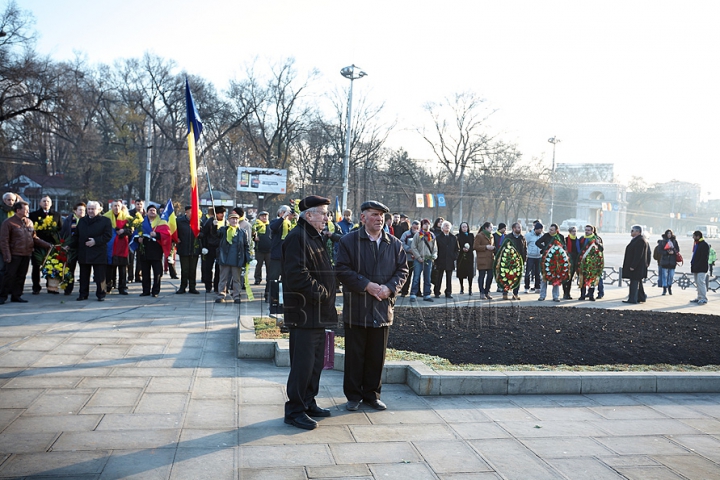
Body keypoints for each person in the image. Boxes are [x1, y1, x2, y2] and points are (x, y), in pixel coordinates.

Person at [336, 200, 408, 411]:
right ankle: (353, 396)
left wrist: (390, 288)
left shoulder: (393, 243)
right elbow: (341, 269)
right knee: (355, 355)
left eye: (381, 215)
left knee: (377, 355)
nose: (379, 219)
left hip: (382, 308)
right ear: (363, 218)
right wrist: (366, 285)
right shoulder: (349, 241)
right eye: (374, 215)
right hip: (357, 307)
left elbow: (403, 271)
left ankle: (372, 394)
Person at [282, 195, 338, 430]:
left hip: (317, 313)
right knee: (303, 365)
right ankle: (295, 410)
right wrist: (323, 293)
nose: (327, 217)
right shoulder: (298, 237)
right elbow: (297, 275)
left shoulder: (313, 236)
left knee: (315, 363)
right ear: (309, 215)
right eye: (323, 213)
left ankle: (308, 401)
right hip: (304, 313)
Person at [0, 201, 52, 304]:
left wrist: (47, 245)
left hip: (26, 253)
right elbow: (3, 240)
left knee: (21, 276)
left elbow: (34, 238)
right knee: (9, 276)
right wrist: (7, 255)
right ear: (18, 210)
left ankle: (17, 295)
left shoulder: (29, 222)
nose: (28, 211)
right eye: (26, 209)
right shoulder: (8, 222)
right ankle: (2, 296)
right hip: (14, 254)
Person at [72, 201, 112, 302]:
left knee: (100, 275)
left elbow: (108, 236)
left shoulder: (105, 221)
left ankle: (101, 294)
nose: (90, 211)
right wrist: (69, 244)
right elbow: (76, 235)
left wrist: (95, 241)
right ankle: (83, 294)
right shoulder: (82, 221)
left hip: (98, 251)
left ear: (99, 210)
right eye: (89, 209)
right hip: (84, 251)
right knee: (84, 275)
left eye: (93, 209)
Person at [28, 195, 63, 294]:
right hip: (38, 244)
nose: (46, 203)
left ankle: (51, 286)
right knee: (36, 266)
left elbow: (61, 229)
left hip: (51, 245)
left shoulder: (56, 215)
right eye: (44, 201)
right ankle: (36, 287)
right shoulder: (33, 215)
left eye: (48, 201)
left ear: (51, 204)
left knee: (52, 265)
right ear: (40, 203)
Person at [216, 212, 250, 303]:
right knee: (223, 278)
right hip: (225, 258)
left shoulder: (242, 232)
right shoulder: (223, 230)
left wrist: (248, 258)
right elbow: (216, 236)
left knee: (236, 279)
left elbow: (246, 246)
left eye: (236, 219)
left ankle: (236, 296)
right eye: (232, 219)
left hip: (237, 259)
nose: (234, 220)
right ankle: (221, 295)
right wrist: (214, 225)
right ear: (228, 220)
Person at [137, 205, 171, 297]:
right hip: (144, 251)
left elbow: (167, 235)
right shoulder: (142, 222)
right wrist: (138, 239)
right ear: (147, 212)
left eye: (154, 210)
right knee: (145, 272)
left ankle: (155, 291)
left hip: (156, 251)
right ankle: (145, 290)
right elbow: (136, 234)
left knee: (157, 273)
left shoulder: (161, 222)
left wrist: (157, 234)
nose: (152, 212)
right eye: (150, 210)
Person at [104, 200, 133, 295]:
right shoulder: (106, 217)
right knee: (109, 267)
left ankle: (122, 287)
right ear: (111, 207)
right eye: (114, 206)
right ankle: (108, 285)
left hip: (122, 246)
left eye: (118, 206)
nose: (116, 208)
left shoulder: (127, 218)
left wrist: (123, 231)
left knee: (122, 268)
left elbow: (131, 231)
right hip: (110, 246)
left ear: (121, 207)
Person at [267, 205, 292, 301]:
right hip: (276, 254)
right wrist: (283, 218)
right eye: (286, 212)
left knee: (285, 277)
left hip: (287, 254)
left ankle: (282, 297)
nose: (288, 214)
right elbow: (274, 227)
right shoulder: (275, 221)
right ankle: (270, 296)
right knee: (273, 277)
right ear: (280, 212)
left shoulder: (289, 223)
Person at [59, 202, 86, 295]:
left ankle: (83, 290)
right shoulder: (69, 220)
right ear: (75, 211)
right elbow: (64, 232)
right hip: (71, 248)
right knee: (70, 269)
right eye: (80, 210)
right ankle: (68, 288)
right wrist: (64, 244)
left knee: (84, 270)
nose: (82, 212)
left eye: (83, 210)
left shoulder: (86, 220)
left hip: (83, 248)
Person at [535, 223, 566, 302]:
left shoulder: (560, 237)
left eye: (552, 230)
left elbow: (564, 247)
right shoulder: (546, 236)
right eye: (549, 229)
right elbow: (537, 242)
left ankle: (556, 296)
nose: (550, 231)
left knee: (556, 277)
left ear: (556, 230)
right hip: (546, 259)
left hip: (557, 260)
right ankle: (542, 295)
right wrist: (544, 248)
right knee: (544, 277)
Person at [622, 225, 651, 304]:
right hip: (636, 267)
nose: (631, 232)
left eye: (632, 231)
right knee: (638, 282)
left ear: (638, 232)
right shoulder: (636, 239)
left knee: (634, 283)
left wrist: (633, 266)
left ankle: (632, 299)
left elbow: (638, 255)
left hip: (637, 267)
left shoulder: (640, 240)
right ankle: (641, 297)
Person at [409, 218, 437, 302]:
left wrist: (433, 256)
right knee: (416, 277)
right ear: (422, 225)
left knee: (427, 278)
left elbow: (435, 248)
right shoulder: (418, 235)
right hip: (419, 259)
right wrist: (418, 257)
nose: (427, 225)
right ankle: (413, 294)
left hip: (428, 259)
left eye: (428, 224)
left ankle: (427, 294)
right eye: (425, 224)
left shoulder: (431, 235)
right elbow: (413, 247)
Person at [175, 206, 201, 294]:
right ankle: (183, 287)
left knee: (193, 269)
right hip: (184, 248)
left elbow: (204, 233)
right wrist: (176, 239)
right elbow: (174, 231)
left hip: (194, 248)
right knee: (184, 269)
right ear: (186, 212)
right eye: (191, 211)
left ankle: (192, 287)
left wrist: (200, 234)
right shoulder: (179, 221)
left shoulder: (198, 221)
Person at [200, 205, 225, 293]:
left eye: (223, 213)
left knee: (219, 268)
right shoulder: (210, 222)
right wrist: (204, 247)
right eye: (220, 213)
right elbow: (203, 234)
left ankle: (217, 286)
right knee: (208, 268)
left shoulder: (225, 222)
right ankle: (208, 286)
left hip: (220, 248)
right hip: (210, 247)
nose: (222, 215)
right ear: (216, 214)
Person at [501, 222, 528, 300]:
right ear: (513, 229)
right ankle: (505, 293)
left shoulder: (522, 238)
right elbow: (504, 247)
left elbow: (525, 249)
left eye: (520, 227)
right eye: (518, 227)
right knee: (507, 277)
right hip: (509, 261)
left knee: (517, 278)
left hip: (519, 261)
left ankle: (515, 294)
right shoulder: (508, 237)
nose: (520, 229)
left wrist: (524, 259)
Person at [577, 224, 604, 301]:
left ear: (592, 231)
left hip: (592, 264)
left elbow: (601, 249)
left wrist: (598, 244)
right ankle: (582, 295)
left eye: (588, 230)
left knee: (591, 280)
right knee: (583, 279)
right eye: (586, 230)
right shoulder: (582, 239)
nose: (587, 232)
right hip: (583, 263)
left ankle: (591, 295)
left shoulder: (596, 239)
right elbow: (578, 250)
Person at [433, 220, 459, 299]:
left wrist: (454, 256)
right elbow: (435, 248)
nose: (447, 227)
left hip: (450, 260)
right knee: (439, 277)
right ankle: (437, 292)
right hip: (440, 259)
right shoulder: (438, 237)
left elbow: (457, 249)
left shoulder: (453, 237)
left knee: (449, 277)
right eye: (445, 226)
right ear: (442, 228)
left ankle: (448, 292)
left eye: (448, 226)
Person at [474, 222, 495, 300]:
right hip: (482, 259)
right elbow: (475, 246)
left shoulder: (491, 236)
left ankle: (487, 291)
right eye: (490, 227)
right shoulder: (479, 236)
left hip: (490, 259)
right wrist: (485, 247)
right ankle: (482, 292)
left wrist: (493, 248)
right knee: (482, 276)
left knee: (490, 276)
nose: (492, 229)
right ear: (486, 228)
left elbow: (493, 245)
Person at [0, 192, 18, 286]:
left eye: (13, 200)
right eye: (8, 200)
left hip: (15, 243)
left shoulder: (16, 211)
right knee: (2, 267)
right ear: (4, 200)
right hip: (3, 243)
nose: (11, 202)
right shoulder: (1, 211)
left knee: (12, 268)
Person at [399, 220, 420, 296]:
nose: (415, 229)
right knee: (407, 275)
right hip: (408, 258)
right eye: (414, 227)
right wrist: (408, 249)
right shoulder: (406, 234)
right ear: (411, 226)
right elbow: (402, 243)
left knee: (417, 276)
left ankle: (417, 291)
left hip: (417, 258)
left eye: (417, 228)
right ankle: (404, 291)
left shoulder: (421, 235)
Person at [127, 199, 146, 283]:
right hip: (132, 239)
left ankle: (138, 276)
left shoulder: (146, 214)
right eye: (138, 204)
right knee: (130, 259)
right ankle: (130, 277)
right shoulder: (130, 213)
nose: (139, 206)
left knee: (140, 258)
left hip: (142, 239)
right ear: (135, 204)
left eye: (141, 204)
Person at [690, 230, 710, 305]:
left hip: (701, 268)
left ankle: (703, 298)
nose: (693, 237)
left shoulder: (704, 245)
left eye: (694, 236)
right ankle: (699, 297)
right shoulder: (697, 244)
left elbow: (703, 258)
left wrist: (697, 265)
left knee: (701, 282)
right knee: (697, 283)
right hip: (696, 267)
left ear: (698, 236)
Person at [658, 229, 680, 295]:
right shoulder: (662, 242)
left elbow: (678, 249)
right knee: (664, 275)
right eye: (668, 233)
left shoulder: (674, 241)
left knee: (671, 276)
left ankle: (669, 287)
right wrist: (666, 252)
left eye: (670, 233)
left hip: (672, 261)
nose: (669, 235)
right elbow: (659, 250)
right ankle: (664, 288)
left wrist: (673, 252)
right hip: (665, 261)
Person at [456, 222, 475, 295]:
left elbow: (473, 245)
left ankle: (470, 288)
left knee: (470, 273)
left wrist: (469, 249)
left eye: (466, 227)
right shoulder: (458, 236)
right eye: (463, 227)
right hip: (461, 256)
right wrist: (461, 249)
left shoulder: (471, 235)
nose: (464, 228)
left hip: (469, 256)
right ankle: (461, 287)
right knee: (461, 272)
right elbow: (456, 246)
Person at [252, 211, 271, 285]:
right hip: (259, 249)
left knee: (269, 266)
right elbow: (252, 235)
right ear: (259, 217)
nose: (264, 217)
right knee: (258, 265)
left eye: (266, 216)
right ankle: (257, 279)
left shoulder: (270, 225)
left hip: (269, 250)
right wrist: (254, 237)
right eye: (262, 216)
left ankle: (269, 279)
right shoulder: (256, 225)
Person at [563, 226, 582, 300]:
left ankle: (568, 293)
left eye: (575, 231)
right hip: (567, 260)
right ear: (570, 232)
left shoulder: (577, 240)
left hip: (575, 261)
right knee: (565, 277)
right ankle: (565, 293)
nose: (574, 232)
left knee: (570, 278)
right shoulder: (566, 239)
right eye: (573, 231)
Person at [524, 222, 543, 294]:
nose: (540, 232)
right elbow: (525, 244)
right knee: (527, 272)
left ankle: (537, 287)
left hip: (538, 257)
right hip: (530, 256)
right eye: (539, 230)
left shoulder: (541, 236)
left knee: (538, 273)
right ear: (536, 229)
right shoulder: (529, 235)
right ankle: (526, 287)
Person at [492, 223, 507, 293]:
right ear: (501, 228)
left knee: (503, 271)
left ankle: (502, 286)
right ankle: (499, 286)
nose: (505, 230)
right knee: (498, 271)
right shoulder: (494, 235)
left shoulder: (505, 236)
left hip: (504, 256)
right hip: (496, 255)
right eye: (504, 228)